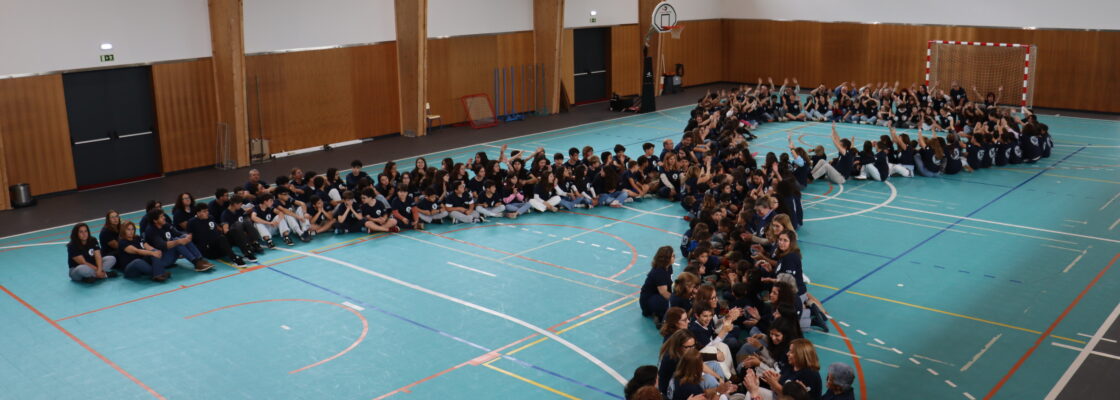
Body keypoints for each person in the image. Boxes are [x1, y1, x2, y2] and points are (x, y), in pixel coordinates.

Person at [143, 210, 213, 272]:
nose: (164, 217)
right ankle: (196, 263)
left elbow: (177, 233)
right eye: (161, 217)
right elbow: (162, 245)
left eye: (163, 215)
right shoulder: (151, 230)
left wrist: (187, 236)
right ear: (155, 221)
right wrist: (179, 241)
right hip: (161, 260)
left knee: (182, 237)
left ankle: (200, 259)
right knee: (177, 241)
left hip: (169, 255)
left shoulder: (165, 224)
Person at [220, 195, 263, 261]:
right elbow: (226, 230)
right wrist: (237, 230)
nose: (241, 205)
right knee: (238, 224)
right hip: (233, 237)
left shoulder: (240, 210)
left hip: (244, 234)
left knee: (247, 222)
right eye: (240, 204)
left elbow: (246, 220)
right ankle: (246, 251)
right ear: (234, 204)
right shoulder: (225, 214)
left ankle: (254, 242)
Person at [640, 246, 675, 323]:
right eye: (672, 256)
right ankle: (658, 315)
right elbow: (664, 293)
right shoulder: (659, 272)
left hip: (656, 295)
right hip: (648, 299)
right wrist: (675, 300)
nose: (674, 257)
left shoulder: (668, 267)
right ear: (666, 258)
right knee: (668, 304)